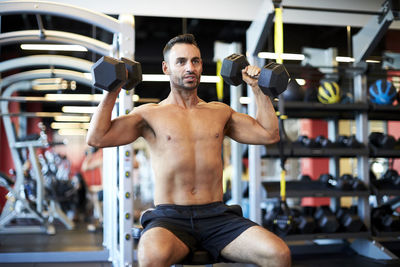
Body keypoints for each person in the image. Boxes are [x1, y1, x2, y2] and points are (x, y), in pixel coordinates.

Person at [87, 33, 291, 267]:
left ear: (202, 65)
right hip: (170, 219)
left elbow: (269, 134)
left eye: (195, 61)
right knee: (150, 258)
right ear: (166, 68)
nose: (190, 68)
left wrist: (257, 90)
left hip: (217, 217)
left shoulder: (219, 112)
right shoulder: (149, 114)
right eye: (181, 61)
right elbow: (97, 138)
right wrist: (113, 90)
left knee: (279, 254)